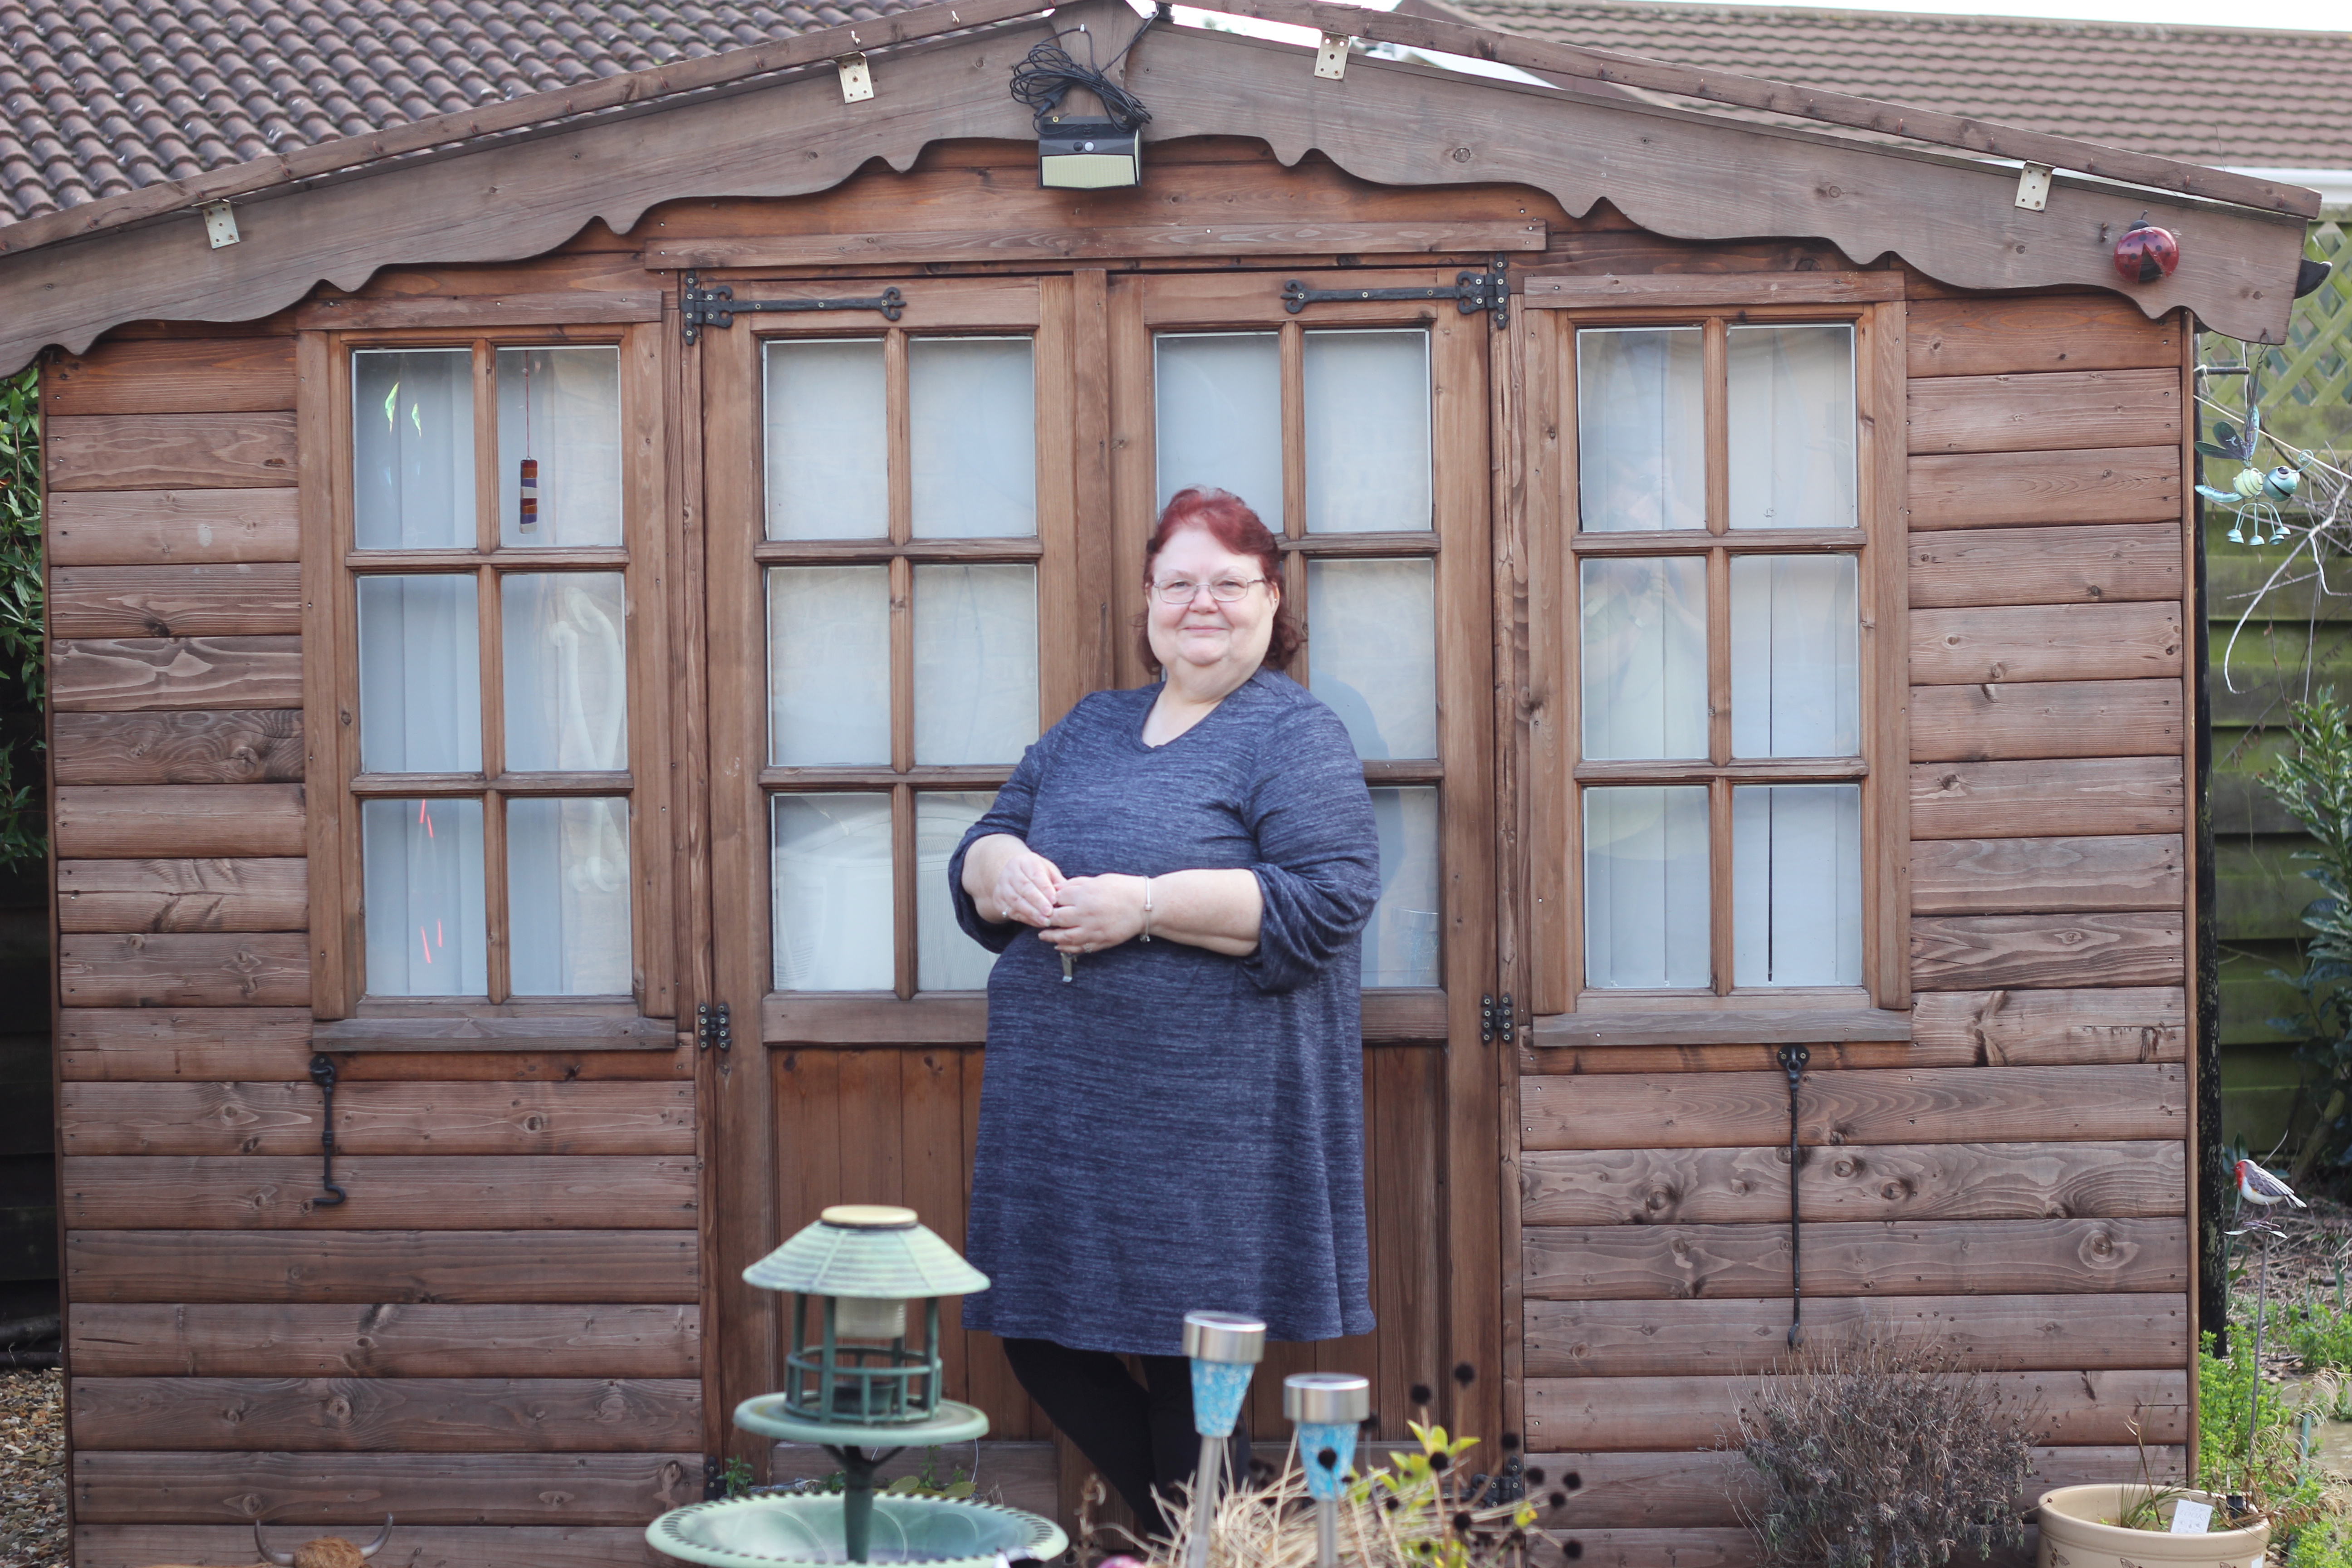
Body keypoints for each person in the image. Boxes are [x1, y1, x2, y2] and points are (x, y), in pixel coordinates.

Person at [947, 485, 1382, 1529]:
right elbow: (987, 837)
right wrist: (996, 868)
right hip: (1067, 1115)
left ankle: (1192, 1542)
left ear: (1272, 602)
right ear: (1147, 600)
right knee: (1041, 1337)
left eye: (1229, 583)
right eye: (1178, 582)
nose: (1203, 603)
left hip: (1209, 1120)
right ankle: (1198, 1539)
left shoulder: (1294, 734)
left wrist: (1142, 905)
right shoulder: (1092, 727)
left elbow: (1329, 900)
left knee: (1196, 1365)